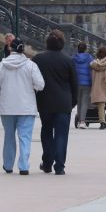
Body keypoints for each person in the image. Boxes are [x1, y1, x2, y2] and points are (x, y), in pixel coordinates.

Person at [0, 38, 43, 174]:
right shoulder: (31, 65)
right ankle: (24, 166)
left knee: (9, 136)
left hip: (7, 107)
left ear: (10, 49)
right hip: (26, 107)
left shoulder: (2, 65)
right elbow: (40, 85)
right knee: (25, 137)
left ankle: (8, 165)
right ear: (23, 49)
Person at [32, 29, 76, 176]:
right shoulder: (68, 60)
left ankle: (47, 163)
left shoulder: (38, 59)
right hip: (64, 103)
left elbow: (31, 82)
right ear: (62, 44)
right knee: (62, 134)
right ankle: (60, 166)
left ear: (47, 43)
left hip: (44, 102)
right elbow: (75, 85)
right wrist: (72, 103)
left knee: (46, 132)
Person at [72, 41, 94, 129]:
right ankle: (82, 121)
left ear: (78, 49)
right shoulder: (89, 58)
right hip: (86, 83)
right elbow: (93, 67)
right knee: (85, 102)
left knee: (79, 102)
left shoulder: (73, 58)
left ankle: (79, 120)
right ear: (85, 49)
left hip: (77, 82)